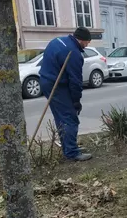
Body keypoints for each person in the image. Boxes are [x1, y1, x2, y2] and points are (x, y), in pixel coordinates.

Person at [39, 27, 92, 161]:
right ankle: (72, 153)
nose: (87, 45)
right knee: (70, 117)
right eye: (87, 42)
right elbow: (75, 81)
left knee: (61, 117)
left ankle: (68, 148)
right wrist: (76, 101)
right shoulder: (73, 53)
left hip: (45, 81)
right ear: (81, 40)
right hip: (56, 86)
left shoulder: (57, 40)